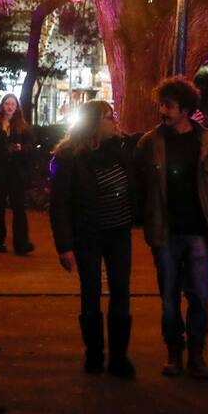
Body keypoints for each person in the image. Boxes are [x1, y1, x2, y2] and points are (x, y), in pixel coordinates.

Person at [137, 76, 208, 380]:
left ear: (185, 109)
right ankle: (174, 352)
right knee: (169, 296)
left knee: (200, 295)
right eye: (162, 104)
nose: (163, 110)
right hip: (166, 230)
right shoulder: (151, 142)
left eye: (169, 105)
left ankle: (197, 354)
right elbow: (140, 181)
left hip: (198, 230)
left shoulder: (207, 141)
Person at [49, 100, 137, 379]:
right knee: (91, 291)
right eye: (109, 117)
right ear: (95, 123)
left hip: (119, 232)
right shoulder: (70, 157)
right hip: (88, 234)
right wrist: (65, 246)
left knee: (121, 290)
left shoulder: (120, 150)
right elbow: (60, 204)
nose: (114, 122)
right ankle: (94, 354)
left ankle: (119, 357)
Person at [0, 93, 36, 255]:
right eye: (7, 103)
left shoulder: (23, 127)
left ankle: (21, 243)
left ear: (17, 107)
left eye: (13, 104)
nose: (10, 107)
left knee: (19, 207)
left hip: (16, 172)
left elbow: (32, 147)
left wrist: (22, 149)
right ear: (2, 105)